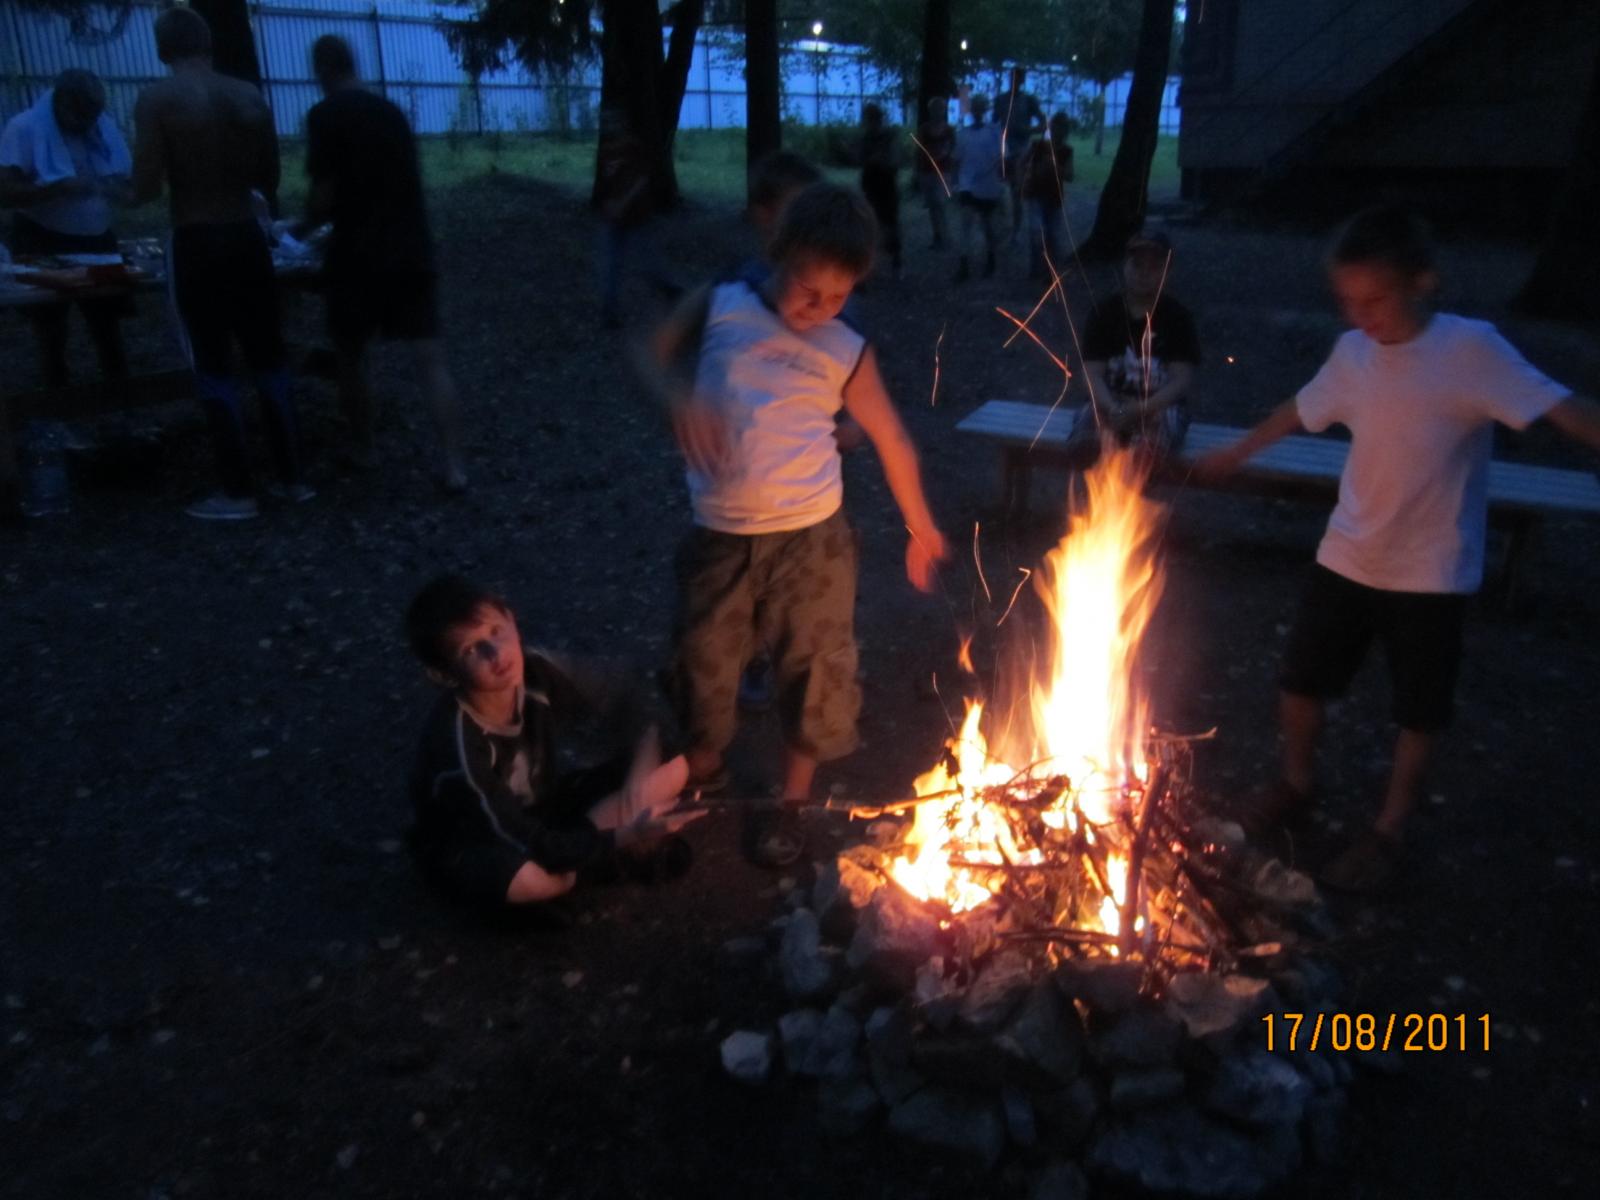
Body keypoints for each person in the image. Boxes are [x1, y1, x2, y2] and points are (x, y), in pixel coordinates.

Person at [1195, 206, 1600, 892]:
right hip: (1348, 554)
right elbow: (1300, 408)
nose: (1360, 316)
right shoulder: (1354, 354)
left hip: (1431, 572)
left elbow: (1558, 407)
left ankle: (1389, 830)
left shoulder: (1470, 350)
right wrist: (1236, 452)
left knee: (1418, 710)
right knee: (1300, 681)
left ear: (1423, 281)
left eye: (1375, 299)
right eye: (1348, 301)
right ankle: (1297, 782)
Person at [643, 182, 949, 867]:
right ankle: (706, 767)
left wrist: (921, 527)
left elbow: (891, 437)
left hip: (813, 539)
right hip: (721, 534)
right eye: (809, 290)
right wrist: (675, 399)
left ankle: (792, 803)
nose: (821, 309)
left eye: (839, 296)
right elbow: (647, 352)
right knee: (702, 662)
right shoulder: (721, 305)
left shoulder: (846, 347)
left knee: (815, 669)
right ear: (778, 254)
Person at [405, 573, 702, 910]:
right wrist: (631, 834)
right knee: (533, 881)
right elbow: (515, 835)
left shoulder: (536, 672)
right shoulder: (458, 746)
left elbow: (630, 690)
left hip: (543, 810)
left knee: (673, 766)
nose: (495, 653)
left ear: (511, 619)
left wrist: (641, 765)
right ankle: (587, 866)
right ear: (444, 674)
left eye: (496, 631)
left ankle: (582, 858)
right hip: (481, 842)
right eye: (471, 650)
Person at [131, 6, 308, 520]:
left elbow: (145, 187)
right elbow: (269, 175)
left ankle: (237, 491)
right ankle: (292, 478)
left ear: (162, 49)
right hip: (247, 237)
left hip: (197, 237)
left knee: (212, 362)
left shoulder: (157, 99)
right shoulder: (248, 95)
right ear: (207, 43)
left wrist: (114, 187)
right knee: (268, 356)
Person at [302, 34, 467, 493]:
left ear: (323, 69)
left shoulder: (325, 115)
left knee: (351, 356)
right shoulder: (391, 112)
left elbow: (323, 196)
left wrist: (300, 227)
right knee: (431, 359)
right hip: (410, 247)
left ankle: (365, 448)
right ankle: (454, 465)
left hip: (356, 255)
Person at [0, 70, 132, 392]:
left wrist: (121, 190)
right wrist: (56, 189)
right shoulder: (25, 127)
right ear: (59, 103)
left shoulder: (103, 128)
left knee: (107, 322)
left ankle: (122, 398)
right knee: (51, 327)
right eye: (80, 116)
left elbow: (125, 181)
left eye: (93, 115)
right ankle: (58, 398)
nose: (87, 123)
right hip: (43, 237)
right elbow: (4, 193)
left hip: (98, 237)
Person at [1069, 229, 1199, 464]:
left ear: (1167, 272)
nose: (1144, 273)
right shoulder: (1104, 313)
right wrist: (1114, 408)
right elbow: (1091, 374)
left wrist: (1140, 410)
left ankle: (1143, 470)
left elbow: (1181, 381)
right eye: (1137, 265)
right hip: (1110, 402)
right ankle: (1090, 475)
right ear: (1125, 266)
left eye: (1154, 267)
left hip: (1160, 405)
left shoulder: (1178, 318)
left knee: (1155, 444)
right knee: (1086, 432)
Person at [594, 105, 680, 329]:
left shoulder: (632, 148)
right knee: (611, 264)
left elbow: (641, 180)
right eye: (606, 122)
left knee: (647, 258)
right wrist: (606, 204)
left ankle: (667, 286)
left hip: (636, 215)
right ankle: (609, 311)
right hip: (612, 217)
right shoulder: (606, 151)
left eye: (613, 121)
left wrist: (623, 202)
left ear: (622, 124)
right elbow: (604, 183)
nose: (609, 126)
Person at [1019, 112, 1075, 283]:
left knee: (1053, 236)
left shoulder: (1066, 151)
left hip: (1054, 196)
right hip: (1035, 194)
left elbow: (1070, 175)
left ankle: (1050, 271)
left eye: (1062, 129)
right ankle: (1036, 268)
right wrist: (1025, 177)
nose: (1058, 132)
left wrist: (1055, 167)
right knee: (1037, 232)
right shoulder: (1038, 146)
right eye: (1056, 128)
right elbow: (1022, 163)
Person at [952, 94, 1003, 282]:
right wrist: (955, 183)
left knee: (988, 225)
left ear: (985, 110)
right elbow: (956, 160)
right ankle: (964, 263)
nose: (978, 111)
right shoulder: (962, 134)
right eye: (976, 107)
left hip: (988, 185)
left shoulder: (994, 132)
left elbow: (1002, 158)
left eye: (981, 107)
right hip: (968, 185)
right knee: (966, 224)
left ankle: (991, 259)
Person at [994, 67, 1044, 243]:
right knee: (998, 190)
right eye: (1013, 77)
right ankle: (1002, 226)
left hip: (1021, 151)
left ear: (1022, 80)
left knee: (1016, 192)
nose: (1015, 80)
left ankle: (1015, 231)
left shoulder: (1029, 100)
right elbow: (993, 123)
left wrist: (1028, 130)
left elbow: (1043, 122)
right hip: (1003, 150)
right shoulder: (1000, 100)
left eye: (1018, 78)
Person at [857, 102, 901, 276]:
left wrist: (880, 160)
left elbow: (894, 161)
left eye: (870, 119)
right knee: (870, 220)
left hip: (885, 182)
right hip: (871, 182)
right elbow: (860, 158)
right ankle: (872, 261)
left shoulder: (888, 138)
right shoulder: (866, 138)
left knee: (889, 221)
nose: (868, 123)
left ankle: (895, 257)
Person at [913, 96, 955, 251]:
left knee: (940, 203)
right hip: (926, 170)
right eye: (934, 109)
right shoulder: (924, 129)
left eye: (940, 109)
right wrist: (917, 170)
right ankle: (938, 236)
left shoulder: (949, 130)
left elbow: (953, 149)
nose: (937, 112)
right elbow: (919, 150)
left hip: (943, 171)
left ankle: (944, 236)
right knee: (932, 205)